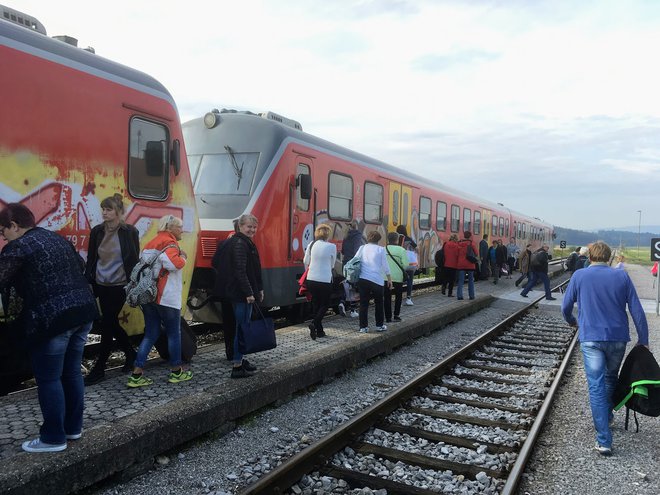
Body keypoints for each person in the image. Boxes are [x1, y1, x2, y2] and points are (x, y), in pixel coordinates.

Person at [0, 203, 98, 452]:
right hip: (83, 312)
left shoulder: (19, 246)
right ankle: (72, 429)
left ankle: (53, 438)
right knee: (72, 373)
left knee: (48, 378)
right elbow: (81, 266)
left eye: (3, 232)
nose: (4, 238)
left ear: (14, 225)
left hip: (53, 319)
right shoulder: (56, 238)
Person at [561, 241, 649, 456]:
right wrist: (643, 338)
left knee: (596, 386)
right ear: (608, 256)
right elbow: (636, 308)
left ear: (590, 256)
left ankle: (604, 440)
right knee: (610, 378)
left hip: (591, 338)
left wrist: (572, 321)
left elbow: (565, 306)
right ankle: (606, 416)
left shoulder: (579, 276)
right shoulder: (621, 276)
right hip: (617, 338)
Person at [128, 215, 192, 387]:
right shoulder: (170, 243)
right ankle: (176, 371)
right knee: (173, 334)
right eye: (179, 227)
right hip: (166, 297)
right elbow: (174, 264)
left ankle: (137, 373)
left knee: (151, 334)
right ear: (170, 228)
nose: (182, 230)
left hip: (149, 296)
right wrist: (184, 257)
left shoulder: (151, 242)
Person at [83, 194, 140, 385]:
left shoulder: (129, 232)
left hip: (120, 285)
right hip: (101, 284)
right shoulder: (97, 231)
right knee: (110, 322)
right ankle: (131, 354)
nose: (104, 213)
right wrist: (89, 281)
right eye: (103, 209)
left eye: (108, 209)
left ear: (118, 212)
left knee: (107, 322)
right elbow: (92, 258)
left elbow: (133, 259)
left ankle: (99, 368)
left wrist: (133, 282)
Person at [225, 214, 264, 378]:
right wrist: (249, 293)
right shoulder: (240, 243)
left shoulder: (245, 242)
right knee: (241, 329)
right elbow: (240, 271)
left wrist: (259, 289)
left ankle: (241, 359)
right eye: (249, 226)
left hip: (245, 292)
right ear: (240, 226)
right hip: (241, 294)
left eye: (254, 227)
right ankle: (237, 366)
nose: (252, 230)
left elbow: (253, 270)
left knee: (243, 328)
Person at [304, 224, 337, 339]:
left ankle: (320, 331)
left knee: (316, 304)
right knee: (325, 304)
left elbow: (305, 260)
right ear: (328, 234)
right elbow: (332, 265)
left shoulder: (311, 244)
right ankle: (314, 323)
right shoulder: (332, 246)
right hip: (325, 279)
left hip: (311, 279)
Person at [357, 231, 392, 333]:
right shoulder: (381, 250)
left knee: (363, 304)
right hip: (377, 280)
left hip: (363, 279)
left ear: (368, 238)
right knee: (379, 303)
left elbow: (355, 260)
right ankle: (379, 325)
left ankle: (363, 327)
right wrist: (389, 279)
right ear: (378, 240)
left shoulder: (362, 248)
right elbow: (385, 266)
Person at [340, 220, 364, 317]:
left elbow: (342, 251)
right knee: (353, 287)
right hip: (353, 264)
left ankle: (342, 303)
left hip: (345, 263)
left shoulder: (346, 236)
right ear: (356, 226)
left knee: (347, 285)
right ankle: (353, 310)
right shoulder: (357, 235)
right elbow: (356, 251)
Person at [383, 232, 409, 322]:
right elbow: (405, 265)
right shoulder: (401, 250)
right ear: (397, 240)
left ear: (388, 240)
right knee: (398, 296)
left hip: (386, 277)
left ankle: (388, 318)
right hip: (398, 277)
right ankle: (396, 315)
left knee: (387, 297)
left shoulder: (384, 249)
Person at [396, 225, 417, 306]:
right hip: (409, 263)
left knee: (399, 282)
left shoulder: (397, 239)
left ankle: (399, 300)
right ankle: (408, 299)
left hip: (400, 264)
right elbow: (416, 247)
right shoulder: (409, 239)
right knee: (410, 281)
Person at [456, 231, 477, 300]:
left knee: (461, 280)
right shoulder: (471, 243)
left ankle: (459, 296)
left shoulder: (459, 243)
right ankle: (471, 296)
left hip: (461, 264)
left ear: (464, 236)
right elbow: (476, 253)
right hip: (470, 264)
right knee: (470, 280)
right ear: (470, 236)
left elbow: (456, 254)